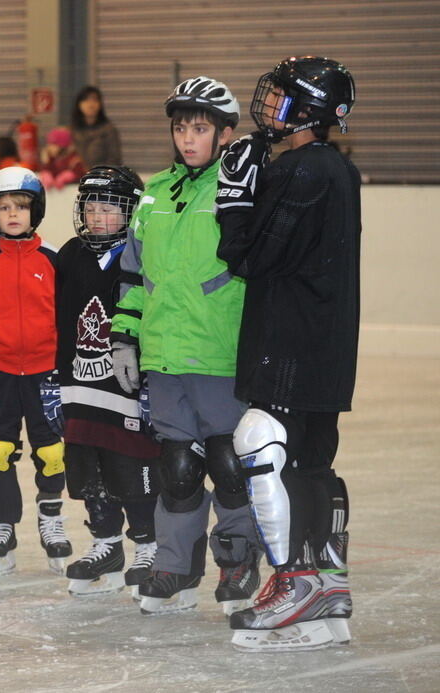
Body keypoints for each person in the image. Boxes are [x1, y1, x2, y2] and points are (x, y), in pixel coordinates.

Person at [215, 56, 359, 651]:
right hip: (323, 342)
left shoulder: (302, 170)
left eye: (280, 98)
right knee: (310, 463)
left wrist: (234, 198)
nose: (267, 106)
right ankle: (328, 584)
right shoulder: (334, 169)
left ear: (308, 109)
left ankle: (295, 582)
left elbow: (247, 257)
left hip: (292, 341)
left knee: (258, 440)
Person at [110, 76, 262, 616]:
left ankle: (240, 559)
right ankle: (175, 564)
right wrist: (126, 337)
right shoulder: (154, 193)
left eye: (200, 128)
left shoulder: (238, 190)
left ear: (225, 133)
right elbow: (132, 275)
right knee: (177, 466)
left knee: (229, 463)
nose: (188, 138)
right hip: (164, 355)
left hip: (220, 354)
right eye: (181, 128)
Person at [52, 166, 161, 598]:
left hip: (125, 385)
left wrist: (151, 380)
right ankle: (106, 542)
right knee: (86, 466)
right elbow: (59, 322)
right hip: (79, 384)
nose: (97, 217)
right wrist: (52, 379)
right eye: (92, 207)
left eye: (109, 209)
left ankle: (147, 544)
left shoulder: (141, 254)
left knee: (130, 462)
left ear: (131, 212)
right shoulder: (69, 255)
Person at [0, 167, 70, 576]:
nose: (13, 214)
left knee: (50, 451)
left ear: (37, 211)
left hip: (47, 372)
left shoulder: (52, 260)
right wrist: (1, 356)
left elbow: (64, 316)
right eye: (5, 207)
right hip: (4, 373)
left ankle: (50, 517)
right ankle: (1, 524)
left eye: (21, 207)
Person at [70, 86, 122, 168]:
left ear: (100, 104)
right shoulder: (72, 130)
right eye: (86, 100)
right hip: (76, 177)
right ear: (79, 104)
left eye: (95, 100)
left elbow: (114, 159)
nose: (91, 104)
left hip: (100, 176)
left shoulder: (109, 129)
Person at [38, 127, 86, 191]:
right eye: (49, 144)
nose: (49, 147)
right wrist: (46, 173)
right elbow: (48, 169)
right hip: (57, 196)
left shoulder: (74, 159)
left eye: (53, 144)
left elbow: (81, 174)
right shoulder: (52, 159)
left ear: (62, 146)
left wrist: (70, 176)